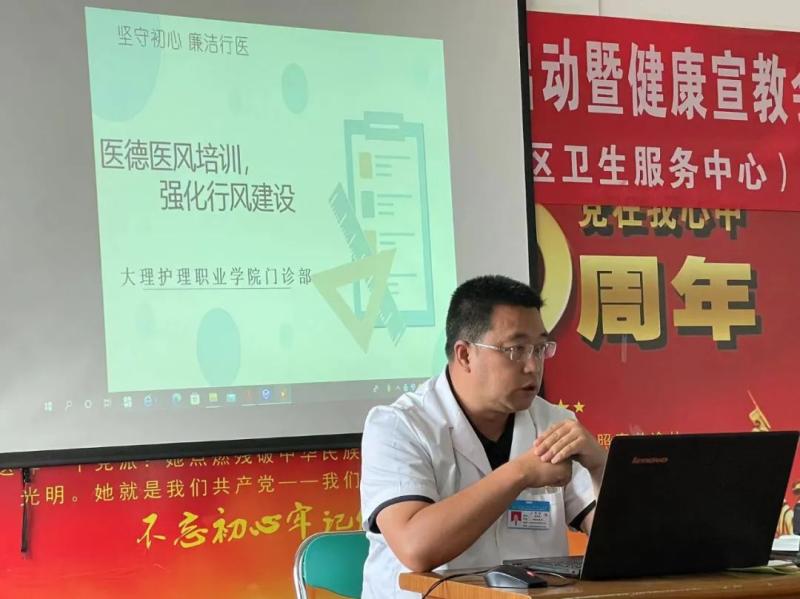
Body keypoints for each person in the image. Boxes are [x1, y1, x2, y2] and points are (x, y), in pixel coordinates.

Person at [360, 274, 607, 598]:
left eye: (539, 349)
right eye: (516, 349)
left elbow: (620, 545)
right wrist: (520, 473)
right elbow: (416, 548)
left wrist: (602, 467)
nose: (533, 366)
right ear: (464, 355)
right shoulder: (399, 426)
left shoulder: (554, 422)